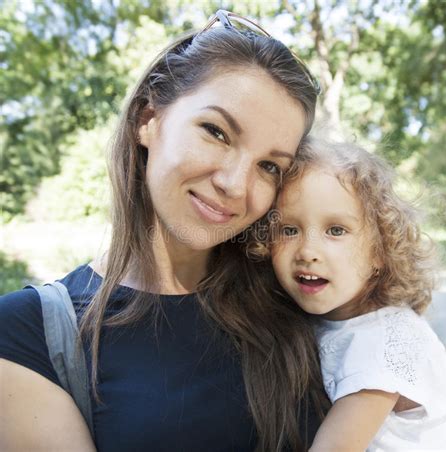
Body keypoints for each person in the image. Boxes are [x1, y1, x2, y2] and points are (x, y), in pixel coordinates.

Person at [0, 11, 329, 452]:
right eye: (216, 132)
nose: (235, 184)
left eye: (269, 166)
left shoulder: (303, 298)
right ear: (147, 118)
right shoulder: (29, 333)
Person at [263, 137, 446, 450]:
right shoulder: (332, 319)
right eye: (289, 230)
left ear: (380, 251)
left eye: (336, 230)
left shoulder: (381, 342)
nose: (307, 251)